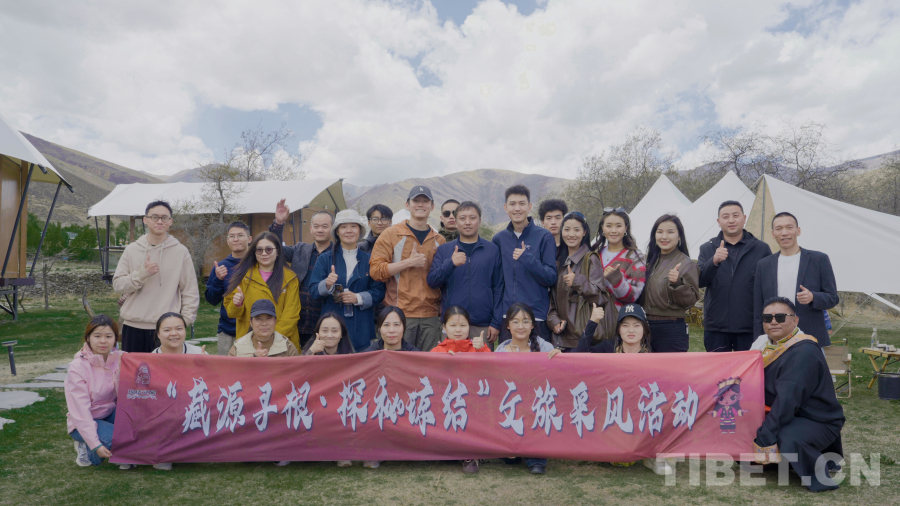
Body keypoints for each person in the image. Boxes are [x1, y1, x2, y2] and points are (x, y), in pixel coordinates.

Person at [553, 303, 671, 475]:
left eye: (636, 325)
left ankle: (655, 456)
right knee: (621, 459)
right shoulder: (608, 348)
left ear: (644, 329)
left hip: (641, 410)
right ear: (618, 330)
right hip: (614, 412)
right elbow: (580, 354)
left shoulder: (654, 354)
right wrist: (593, 322)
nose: (631, 330)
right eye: (625, 325)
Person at [753, 297, 844, 492]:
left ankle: (818, 475)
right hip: (785, 412)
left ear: (795, 320)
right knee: (740, 425)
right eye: (767, 318)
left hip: (816, 418)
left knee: (787, 437)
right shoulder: (762, 344)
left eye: (780, 317)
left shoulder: (803, 351)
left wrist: (765, 435)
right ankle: (775, 464)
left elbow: (788, 399)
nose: (773, 322)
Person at [112, 200, 199, 353]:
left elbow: (190, 291)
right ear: (145, 220)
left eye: (164, 217)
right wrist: (141, 274)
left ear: (170, 221)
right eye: (154, 217)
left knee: (166, 370)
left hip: (167, 329)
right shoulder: (132, 250)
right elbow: (118, 285)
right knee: (134, 369)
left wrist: (184, 321)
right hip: (133, 327)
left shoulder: (181, 252)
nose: (159, 221)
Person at [370, 186, 446, 351]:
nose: (420, 204)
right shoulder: (391, 234)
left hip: (430, 316)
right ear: (407, 204)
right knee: (398, 364)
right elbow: (376, 271)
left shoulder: (439, 240)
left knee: (428, 363)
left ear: (432, 206)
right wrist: (408, 263)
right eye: (416, 200)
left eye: (425, 201)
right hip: (400, 314)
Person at [753, 212, 839, 347]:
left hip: (809, 337)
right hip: (774, 339)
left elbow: (833, 298)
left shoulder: (818, 260)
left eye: (789, 227)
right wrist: (759, 340)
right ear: (773, 234)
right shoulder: (764, 265)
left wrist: (813, 297)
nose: (784, 233)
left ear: (798, 231)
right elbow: (758, 308)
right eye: (779, 228)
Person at [697, 200, 772, 352]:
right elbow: (699, 281)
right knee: (718, 367)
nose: (731, 220)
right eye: (726, 217)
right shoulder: (707, 248)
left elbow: (769, 286)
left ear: (744, 218)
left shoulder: (761, 249)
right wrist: (713, 261)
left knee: (749, 366)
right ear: (719, 222)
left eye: (735, 215)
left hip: (749, 326)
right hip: (716, 326)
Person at [308, 210, 386, 352]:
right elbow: (313, 291)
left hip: (361, 324)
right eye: (343, 227)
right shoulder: (325, 259)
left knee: (361, 362)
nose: (348, 230)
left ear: (360, 230)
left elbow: (379, 291)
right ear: (337, 232)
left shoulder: (370, 260)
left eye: (353, 226)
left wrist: (358, 298)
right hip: (332, 326)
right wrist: (326, 284)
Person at [427, 201, 504, 344]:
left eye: (472, 218)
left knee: (481, 359)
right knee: (451, 359)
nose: (467, 222)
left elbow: (498, 288)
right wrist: (450, 263)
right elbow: (432, 281)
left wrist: (495, 322)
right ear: (456, 222)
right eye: (462, 218)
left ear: (479, 221)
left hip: (483, 325)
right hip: (452, 324)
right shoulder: (444, 250)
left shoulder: (492, 250)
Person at [493, 302, 553, 474]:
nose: (521, 326)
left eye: (526, 321)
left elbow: (557, 376)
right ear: (508, 325)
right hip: (512, 408)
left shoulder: (545, 348)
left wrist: (558, 357)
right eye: (516, 321)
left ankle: (536, 456)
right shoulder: (500, 352)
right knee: (509, 458)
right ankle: (511, 448)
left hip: (535, 407)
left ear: (533, 325)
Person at [492, 185, 557, 342]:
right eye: (512, 204)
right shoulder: (499, 239)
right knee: (509, 358)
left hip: (537, 317)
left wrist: (527, 258)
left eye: (522, 203)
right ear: (505, 207)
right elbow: (497, 284)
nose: (517, 208)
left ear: (529, 206)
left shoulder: (544, 237)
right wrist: (495, 319)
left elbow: (550, 277)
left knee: (538, 358)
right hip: (508, 317)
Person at [430, 306, 489, 474]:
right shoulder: (437, 350)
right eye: (453, 325)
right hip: (445, 401)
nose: (458, 330)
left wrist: (482, 349)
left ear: (469, 327)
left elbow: (492, 369)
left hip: (472, 400)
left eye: (463, 325)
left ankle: (470, 455)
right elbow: (430, 378)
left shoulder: (477, 347)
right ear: (444, 327)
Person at [65, 315, 128, 469]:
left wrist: (122, 371)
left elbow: (129, 394)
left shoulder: (122, 358)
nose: (103, 341)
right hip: (84, 421)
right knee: (117, 439)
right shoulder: (77, 367)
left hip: (111, 413)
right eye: (97, 336)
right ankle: (87, 449)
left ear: (116, 338)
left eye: (108, 336)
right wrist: (95, 444)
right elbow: (80, 412)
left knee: (136, 432)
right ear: (88, 338)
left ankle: (121, 449)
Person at [270, 199, 333, 348]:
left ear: (332, 228)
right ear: (311, 229)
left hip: (325, 321)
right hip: (299, 320)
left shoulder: (338, 255)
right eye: (316, 226)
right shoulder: (301, 250)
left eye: (325, 226)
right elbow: (276, 250)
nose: (320, 230)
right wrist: (279, 224)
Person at [225, 231, 301, 349]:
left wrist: (271, 340)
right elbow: (231, 313)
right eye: (259, 250)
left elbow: (291, 315)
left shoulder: (290, 278)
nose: (264, 253)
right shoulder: (243, 277)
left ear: (277, 252)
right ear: (254, 252)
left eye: (269, 249)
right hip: (249, 343)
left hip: (282, 343)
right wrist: (237, 304)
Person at [546, 212, 611, 351]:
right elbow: (552, 298)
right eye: (567, 229)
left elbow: (601, 297)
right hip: (561, 338)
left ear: (584, 232)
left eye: (576, 230)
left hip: (583, 337)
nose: (571, 234)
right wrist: (553, 320)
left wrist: (578, 281)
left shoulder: (591, 259)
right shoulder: (558, 261)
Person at [640, 215, 700, 353]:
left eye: (670, 232)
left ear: (679, 237)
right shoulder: (651, 262)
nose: (664, 236)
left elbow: (690, 300)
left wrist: (678, 283)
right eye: (660, 232)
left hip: (671, 328)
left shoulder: (686, 264)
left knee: (671, 368)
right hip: (646, 326)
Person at [205, 221, 251, 355]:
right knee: (225, 367)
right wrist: (218, 280)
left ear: (249, 239)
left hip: (253, 330)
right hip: (228, 331)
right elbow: (212, 300)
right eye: (232, 236)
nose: (236, 239)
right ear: (227, 240)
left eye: (240, 235)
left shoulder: (257, 263)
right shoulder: (221, 267)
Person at [592, 207, 645, 313]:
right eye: (608, 226)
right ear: (602, 228)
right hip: (593, 318)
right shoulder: (594, 254)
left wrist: (617, 281)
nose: (613, 230)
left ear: (626, 228)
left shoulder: (634, 256)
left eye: (618, 226)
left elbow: (634, 295)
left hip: (619, 318)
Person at [227, 299, 300, 358]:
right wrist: (253, 358)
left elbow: (296, 370)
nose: (264, 323)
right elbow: (231, 370)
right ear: (251, 322)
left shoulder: (288, 346)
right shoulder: (238, 346)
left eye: (268, 318)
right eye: (258, 319)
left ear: (275, 321)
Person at [539, 198, 568, 267]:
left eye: (558, 218)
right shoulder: (538, 247)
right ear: (543, 222)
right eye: (549, 218)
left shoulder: (571, 246)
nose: (553, 222)